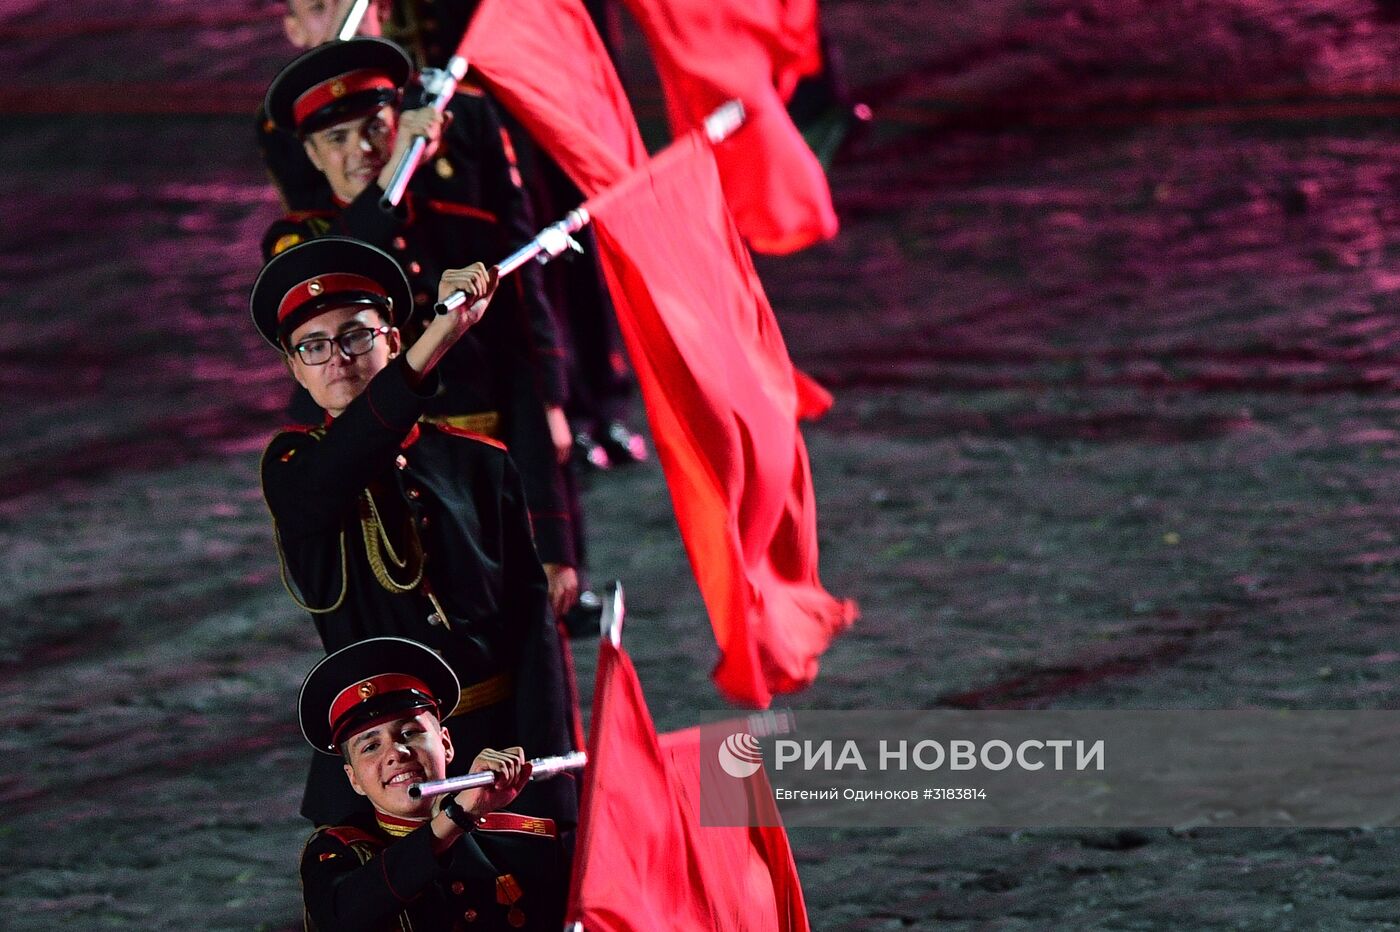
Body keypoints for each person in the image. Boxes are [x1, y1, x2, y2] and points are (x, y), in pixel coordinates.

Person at [251, 236, 578, 828]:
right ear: (294, 369)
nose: (339, 361)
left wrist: (545, 762)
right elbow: (352, 455)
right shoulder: (294, 468)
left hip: (498, 749)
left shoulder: (479, 462)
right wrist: (436, 345)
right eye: (314, 347)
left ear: (392, 340)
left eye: (356, 336)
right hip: (387, 775)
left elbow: (533, 627)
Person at [261, 37, 582, 618]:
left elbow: (516, 375)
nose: (361, 149)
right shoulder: (299, 246)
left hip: (478, 481)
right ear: (310, 155)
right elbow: (346, 262)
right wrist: (388, 191)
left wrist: (554, 539)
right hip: (374, 497)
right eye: (336, 138)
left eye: (377, 129)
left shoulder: (465, 230)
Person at [299, 636, 569, 931]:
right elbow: (345, 914)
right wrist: (456, 818)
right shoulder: (337, 854)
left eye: (409, 733)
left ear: (446, 744)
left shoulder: (527, 839)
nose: (397, 754)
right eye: (370, 747)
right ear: (354, 780)